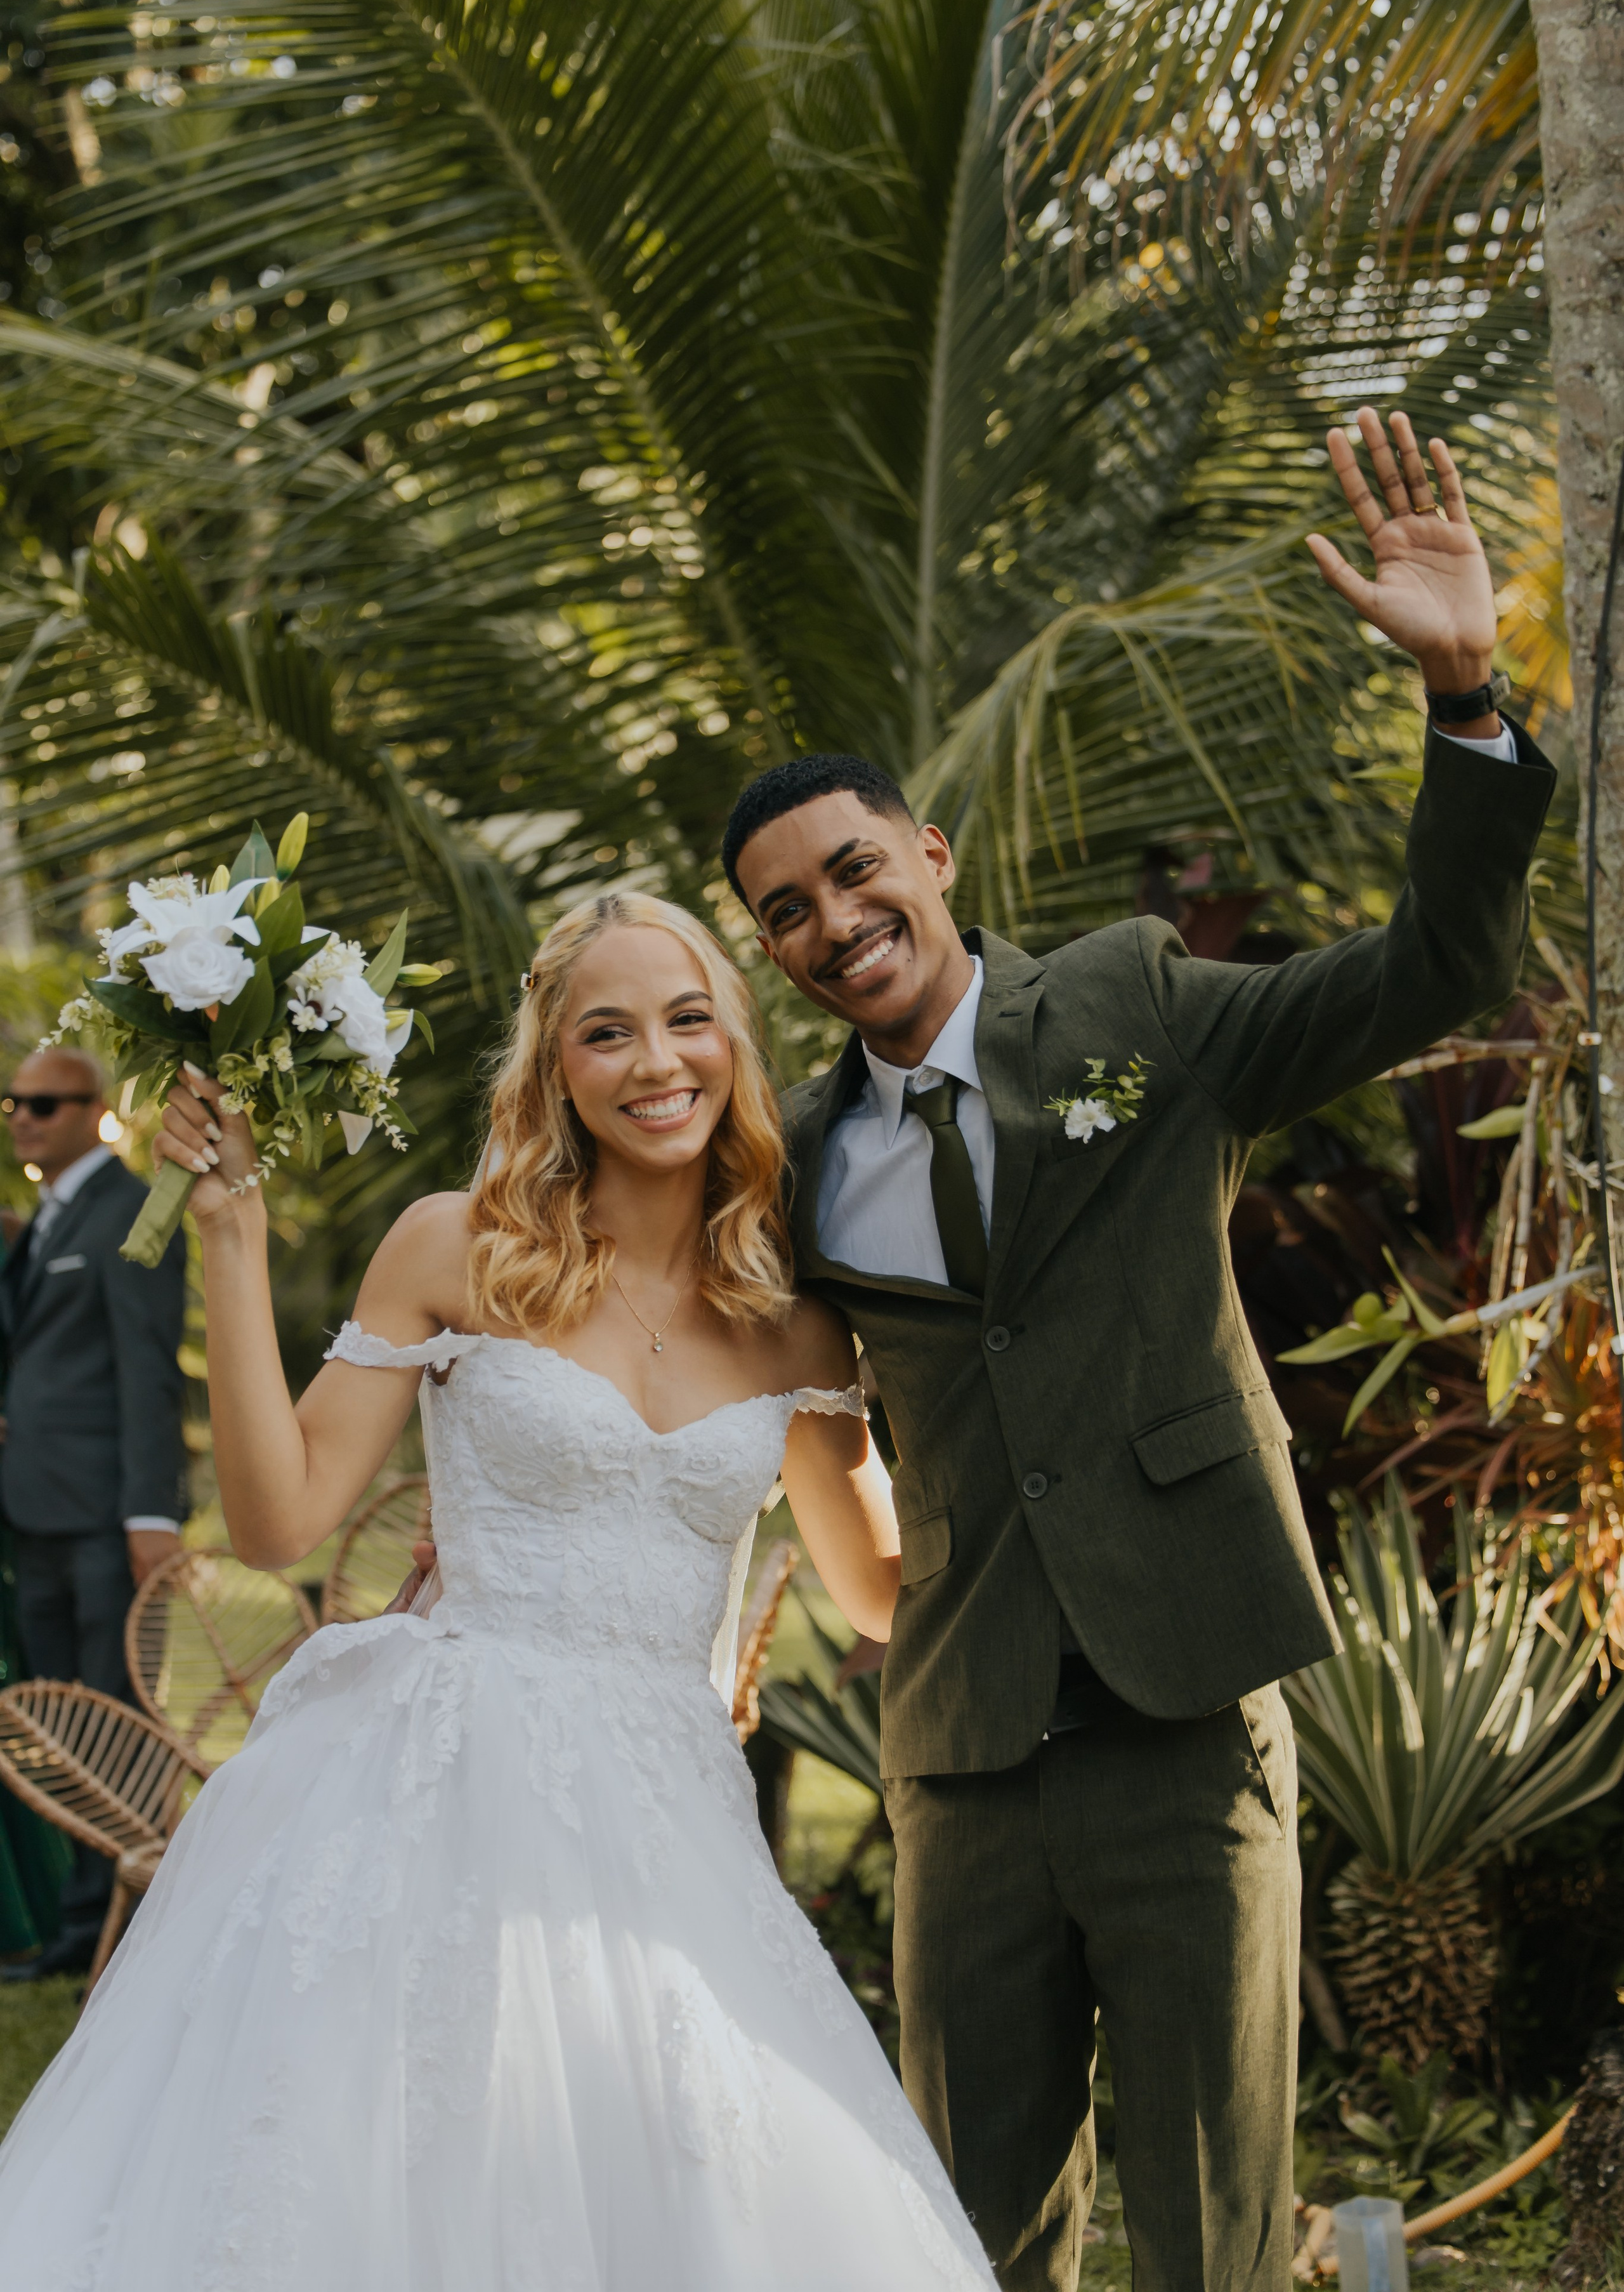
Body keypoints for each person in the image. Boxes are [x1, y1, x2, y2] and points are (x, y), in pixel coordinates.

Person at [718, 413, 1557, 2292]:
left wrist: (1463, 695)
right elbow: (718, 1368)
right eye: (787, 910)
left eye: (858, 872)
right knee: (970, 2230)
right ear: (764, 948)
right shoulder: (791, 1153)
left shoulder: (1122, 1005)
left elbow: (1432, 970)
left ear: (929, 853)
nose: (836, 922)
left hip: (1183, 1704)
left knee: (1209, 2235)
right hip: (962, 1742)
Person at [0, 893, 997, 2292]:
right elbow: (283, 1518)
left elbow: (884, 1596)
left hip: (666, 1807)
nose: (656, 1062)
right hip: (443, 1774)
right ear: (555, 1070)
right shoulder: (452, 1247)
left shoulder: (794, 1319)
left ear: (737, 1045)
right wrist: (231, 1235)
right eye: (608, 1033)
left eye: (687, 1019)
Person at [0, 1046, 187, 1984]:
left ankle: (138, 1918)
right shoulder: (43, 1219)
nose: (23, 1117)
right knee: (58, 1719)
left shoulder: (132, 1211)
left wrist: (152, 1512)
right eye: (12, 1103)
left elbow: (149, 1372)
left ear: (94, 1109)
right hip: (32, 1512)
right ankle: (82, 1920)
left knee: (115, 1714)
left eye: (42, 1102)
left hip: (107, 1517)